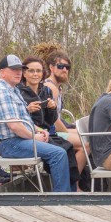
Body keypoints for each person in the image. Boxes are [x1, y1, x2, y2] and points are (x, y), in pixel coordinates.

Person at [0, 54, 71, 192]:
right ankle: (61, 198)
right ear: (2, 72)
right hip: (9, 143)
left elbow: (24, 120)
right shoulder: (2, 93)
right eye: (13, 69)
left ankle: (68, 191)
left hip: (19, 140)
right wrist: (34, 137)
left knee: (65, 147)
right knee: (58, 153)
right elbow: (14, 126)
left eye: (20, 69)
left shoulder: (13, 91)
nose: (18, 72)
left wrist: (39, 130)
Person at [17, 56, 82, 191]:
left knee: (68, 148)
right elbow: (17, 119)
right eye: (31, 71)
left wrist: (52, 108)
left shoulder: (45, 91)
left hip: (48, 132)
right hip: (31, 134)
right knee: (61, 151)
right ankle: (62, 193)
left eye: (38, 71)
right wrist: (27, 110)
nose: (35, 74)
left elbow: (51, 120)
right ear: (24, 73)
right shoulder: (19, 92)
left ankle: (71, 190)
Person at [43, 49, 89, 189]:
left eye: (67, 67)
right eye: (60, 66)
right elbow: (54, 121)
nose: (64, 70)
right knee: (86, 144)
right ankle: (74, 185)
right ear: (51, 67)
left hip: (56, 129)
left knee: (87, 136)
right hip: (50, 132)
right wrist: (68, 133)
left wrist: (71, 129)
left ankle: (76, 182)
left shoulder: (57, 88)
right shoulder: (50, 87)